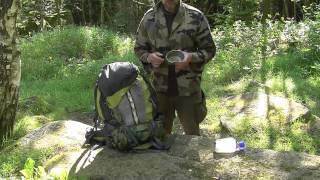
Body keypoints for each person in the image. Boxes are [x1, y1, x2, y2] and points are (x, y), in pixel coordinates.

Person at [134, 0, 216, 135]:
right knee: (160, 136)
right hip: (160, 88)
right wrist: (149, 57)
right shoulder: (149, 18)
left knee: (192, 137)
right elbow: (139, 48)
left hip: (188, 88)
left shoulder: (195, 16)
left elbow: (209, 50)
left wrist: (190, 58)